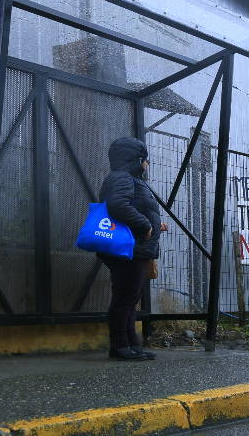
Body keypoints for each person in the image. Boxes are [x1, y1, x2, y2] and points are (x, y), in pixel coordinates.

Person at [99, 137, 167, 361]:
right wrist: (145, 224)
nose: (147, 165)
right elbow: (118, 204)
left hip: (134, 248)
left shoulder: (128, 179)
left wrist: (156, 224)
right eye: (145, 160)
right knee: (125, 298)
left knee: (130, 297)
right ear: (136, 159)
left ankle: (131, 345)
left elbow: (133, 206)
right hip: (128, 248)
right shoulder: (122, 178)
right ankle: (119, 346)